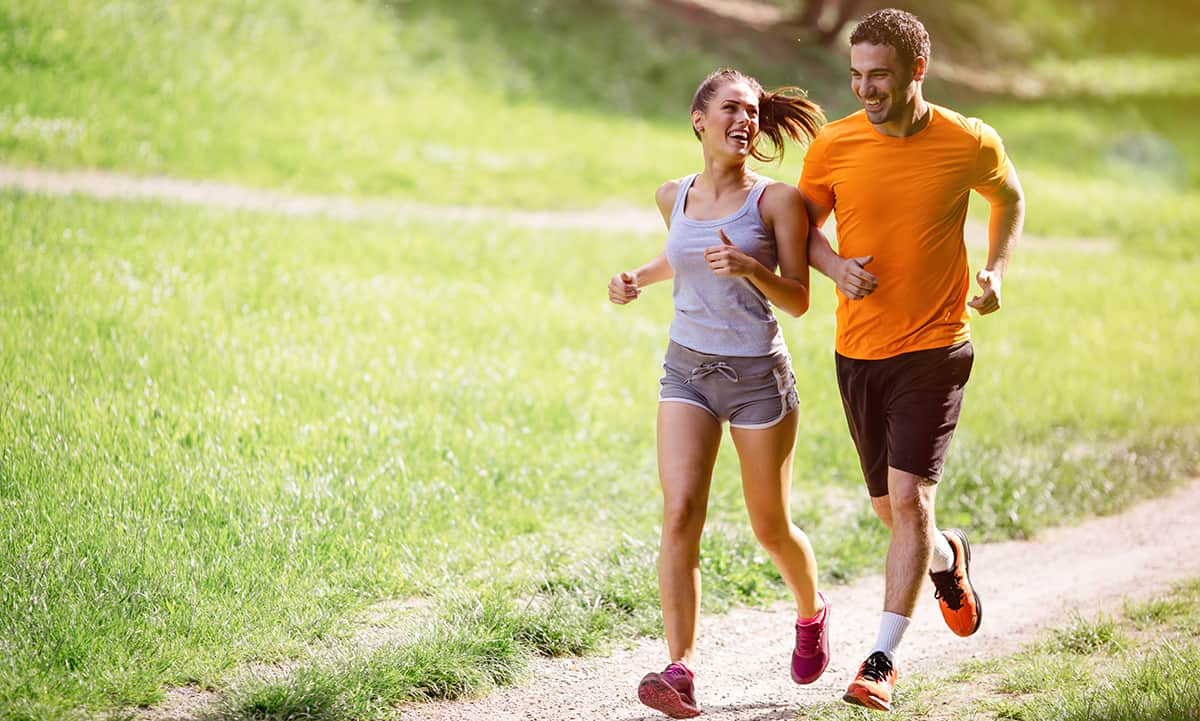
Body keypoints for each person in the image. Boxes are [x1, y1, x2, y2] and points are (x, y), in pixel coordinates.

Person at [798, 8, 1026, 713]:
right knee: (889, 510)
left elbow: (1009, 198)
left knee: (908, 499)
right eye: (857, 76)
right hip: (858, 349)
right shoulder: (834, 146)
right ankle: (946, 560)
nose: (866, 89)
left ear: (916, 71)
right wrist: (835, 265)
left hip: (936, 345)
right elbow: (801, 230)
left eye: (881, 77)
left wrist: (995, 271)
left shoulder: (966, 140)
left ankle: (882, 660)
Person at [608, 68, 828, 719]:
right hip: (688, 371)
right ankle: (680, 668)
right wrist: (637, 278)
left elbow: (799, 299)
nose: (746, 120)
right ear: (699, 118)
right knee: (679, 513)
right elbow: (682, 254)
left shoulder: (776, 202)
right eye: (732, 108)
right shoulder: (671, 194)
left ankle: (812, 611)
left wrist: (753, 268)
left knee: (770, 526)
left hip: (760, 379)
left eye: (754, 112)